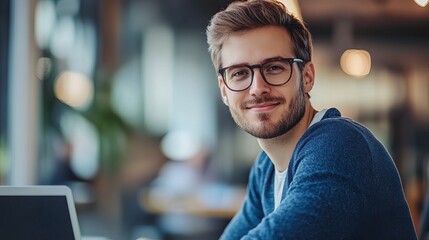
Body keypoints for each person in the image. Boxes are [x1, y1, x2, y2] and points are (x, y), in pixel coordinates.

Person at [206, 0, 417, 239]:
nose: (257, 88)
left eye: (274, 67)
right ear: (224, 90)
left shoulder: (341, 144)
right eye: (240, 73)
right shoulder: (265, 168)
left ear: (306, 77)